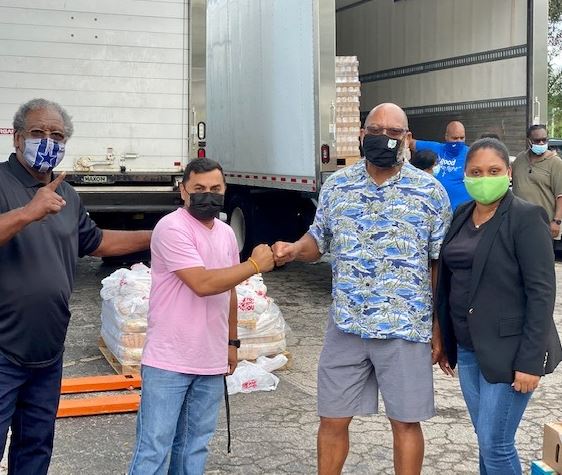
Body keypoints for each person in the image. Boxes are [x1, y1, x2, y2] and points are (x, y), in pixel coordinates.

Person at [273, 103, 452, 475]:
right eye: (375, 130)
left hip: (405, 327)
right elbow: (317, 240)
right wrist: (293, 250)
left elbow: (439, 264)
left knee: (405, 422)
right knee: (332, 419)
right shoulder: (338, 186)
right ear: (360, 134)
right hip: (346, 325)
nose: (383, 139)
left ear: (407, 139)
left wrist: (438, 325)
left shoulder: (430, 193)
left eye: (393, 132)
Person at [0, 98, 152, 474]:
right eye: (38, 132)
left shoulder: (65, 194)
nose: (48, 140)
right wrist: (27, 213)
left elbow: (96, 242)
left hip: (47, 349)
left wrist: (157, 234)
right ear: (17, 138)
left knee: (35, 449)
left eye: (57, 135)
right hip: (3, 348)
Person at [128, 158, 274, 475]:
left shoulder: (224, 233)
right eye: (198, 189)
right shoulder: (171, 228)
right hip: (169, 360)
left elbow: (229, 289)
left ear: (225, 190)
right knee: (154, 449)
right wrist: (253, 265)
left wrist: (232, 342)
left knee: (194, 447)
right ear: (183, 191)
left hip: (209, 359)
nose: (207, 195)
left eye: (214, 189)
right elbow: (203, 284)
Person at [436, 138, 562, 474]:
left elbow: (541, 292)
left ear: (508, 173)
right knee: (486, 439)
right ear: (465, 175)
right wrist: (445, 339)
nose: (484, 177)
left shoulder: (525, 217)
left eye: (493, 171)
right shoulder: (462, 214)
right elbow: (448, 281)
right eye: (476, 171)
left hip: (510, 351)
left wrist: (530, 362)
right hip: (467, 348)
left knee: (496, 444)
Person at [511, 124, 562, 239]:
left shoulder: (555, 162)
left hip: (543, 224)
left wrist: (557, 221)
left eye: (544, 140)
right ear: (529, 141)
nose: (541, 143)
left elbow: (560, 195)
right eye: (537, 140)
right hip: (518, 222)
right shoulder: (519, 159)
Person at [411, 121, 471, 210]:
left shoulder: (472, 153)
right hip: (437, 209)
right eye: (454, 138)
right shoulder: (436, 148)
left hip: (462, 212)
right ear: (446, 137)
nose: (458, 141)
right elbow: (410, 142)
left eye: (462, 138)